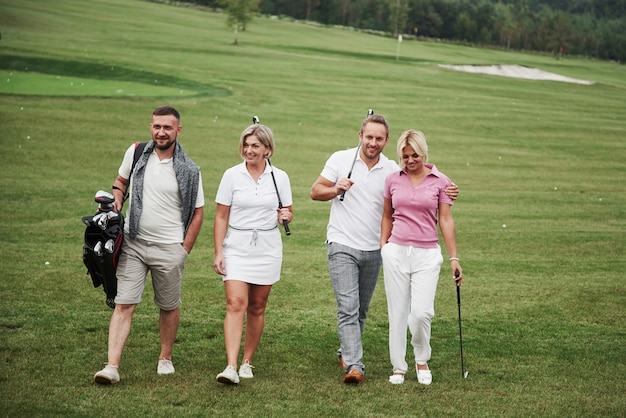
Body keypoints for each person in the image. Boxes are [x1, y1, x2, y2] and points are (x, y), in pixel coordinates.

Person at [310, 113, 459, 384]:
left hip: (375, 250)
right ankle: (355, 366)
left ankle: (347, 349)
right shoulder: (340, 159)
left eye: (379, 138)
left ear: (386, 141)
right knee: (348, 307)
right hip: (342, 243)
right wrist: (335, 188)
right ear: (360, 136)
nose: (373, 142)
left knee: (362, 310)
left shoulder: (393, 169)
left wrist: (448, 188)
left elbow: (418, 176)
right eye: (369, 137)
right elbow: (314, 191)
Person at [93, 106, 205, 385]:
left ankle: (165, 357)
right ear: (151, 127)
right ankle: (111, 367)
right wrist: (118, 196)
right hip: (133, 242)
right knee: (124, 304)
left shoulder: (190, 170)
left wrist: (183, 250)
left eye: (167, 127)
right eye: (156, 126)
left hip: (169, 248)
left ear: (178, 130)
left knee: (168, 306)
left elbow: (199, 212)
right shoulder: (136, 152)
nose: (161, 132)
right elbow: (121, 180)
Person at [380, 129, 463, 386]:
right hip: (396, 252)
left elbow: (445, 220)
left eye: (414, 155)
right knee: (397, 312)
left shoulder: (441, 181)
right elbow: (386, 214)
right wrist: (384, 246)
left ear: (423, 152)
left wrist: (454, 258)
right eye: (405, 156)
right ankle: (398, 366)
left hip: (427, 254)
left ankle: (421, 359)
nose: (410, 160)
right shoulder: (393, 179)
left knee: (421, 313)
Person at [213, 123, 293, 385]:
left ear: (267, 149)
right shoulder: (231, 175)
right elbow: (221, 216)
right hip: (236, 246)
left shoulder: (279, 177)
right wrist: (218, 251)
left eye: (255, 146)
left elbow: (287, 212)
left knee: (257, 307)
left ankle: (248, 361)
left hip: (268, 247)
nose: (249, 150)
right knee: (236, 303)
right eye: (246, 145)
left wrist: (286, 216)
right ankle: (231, 366)